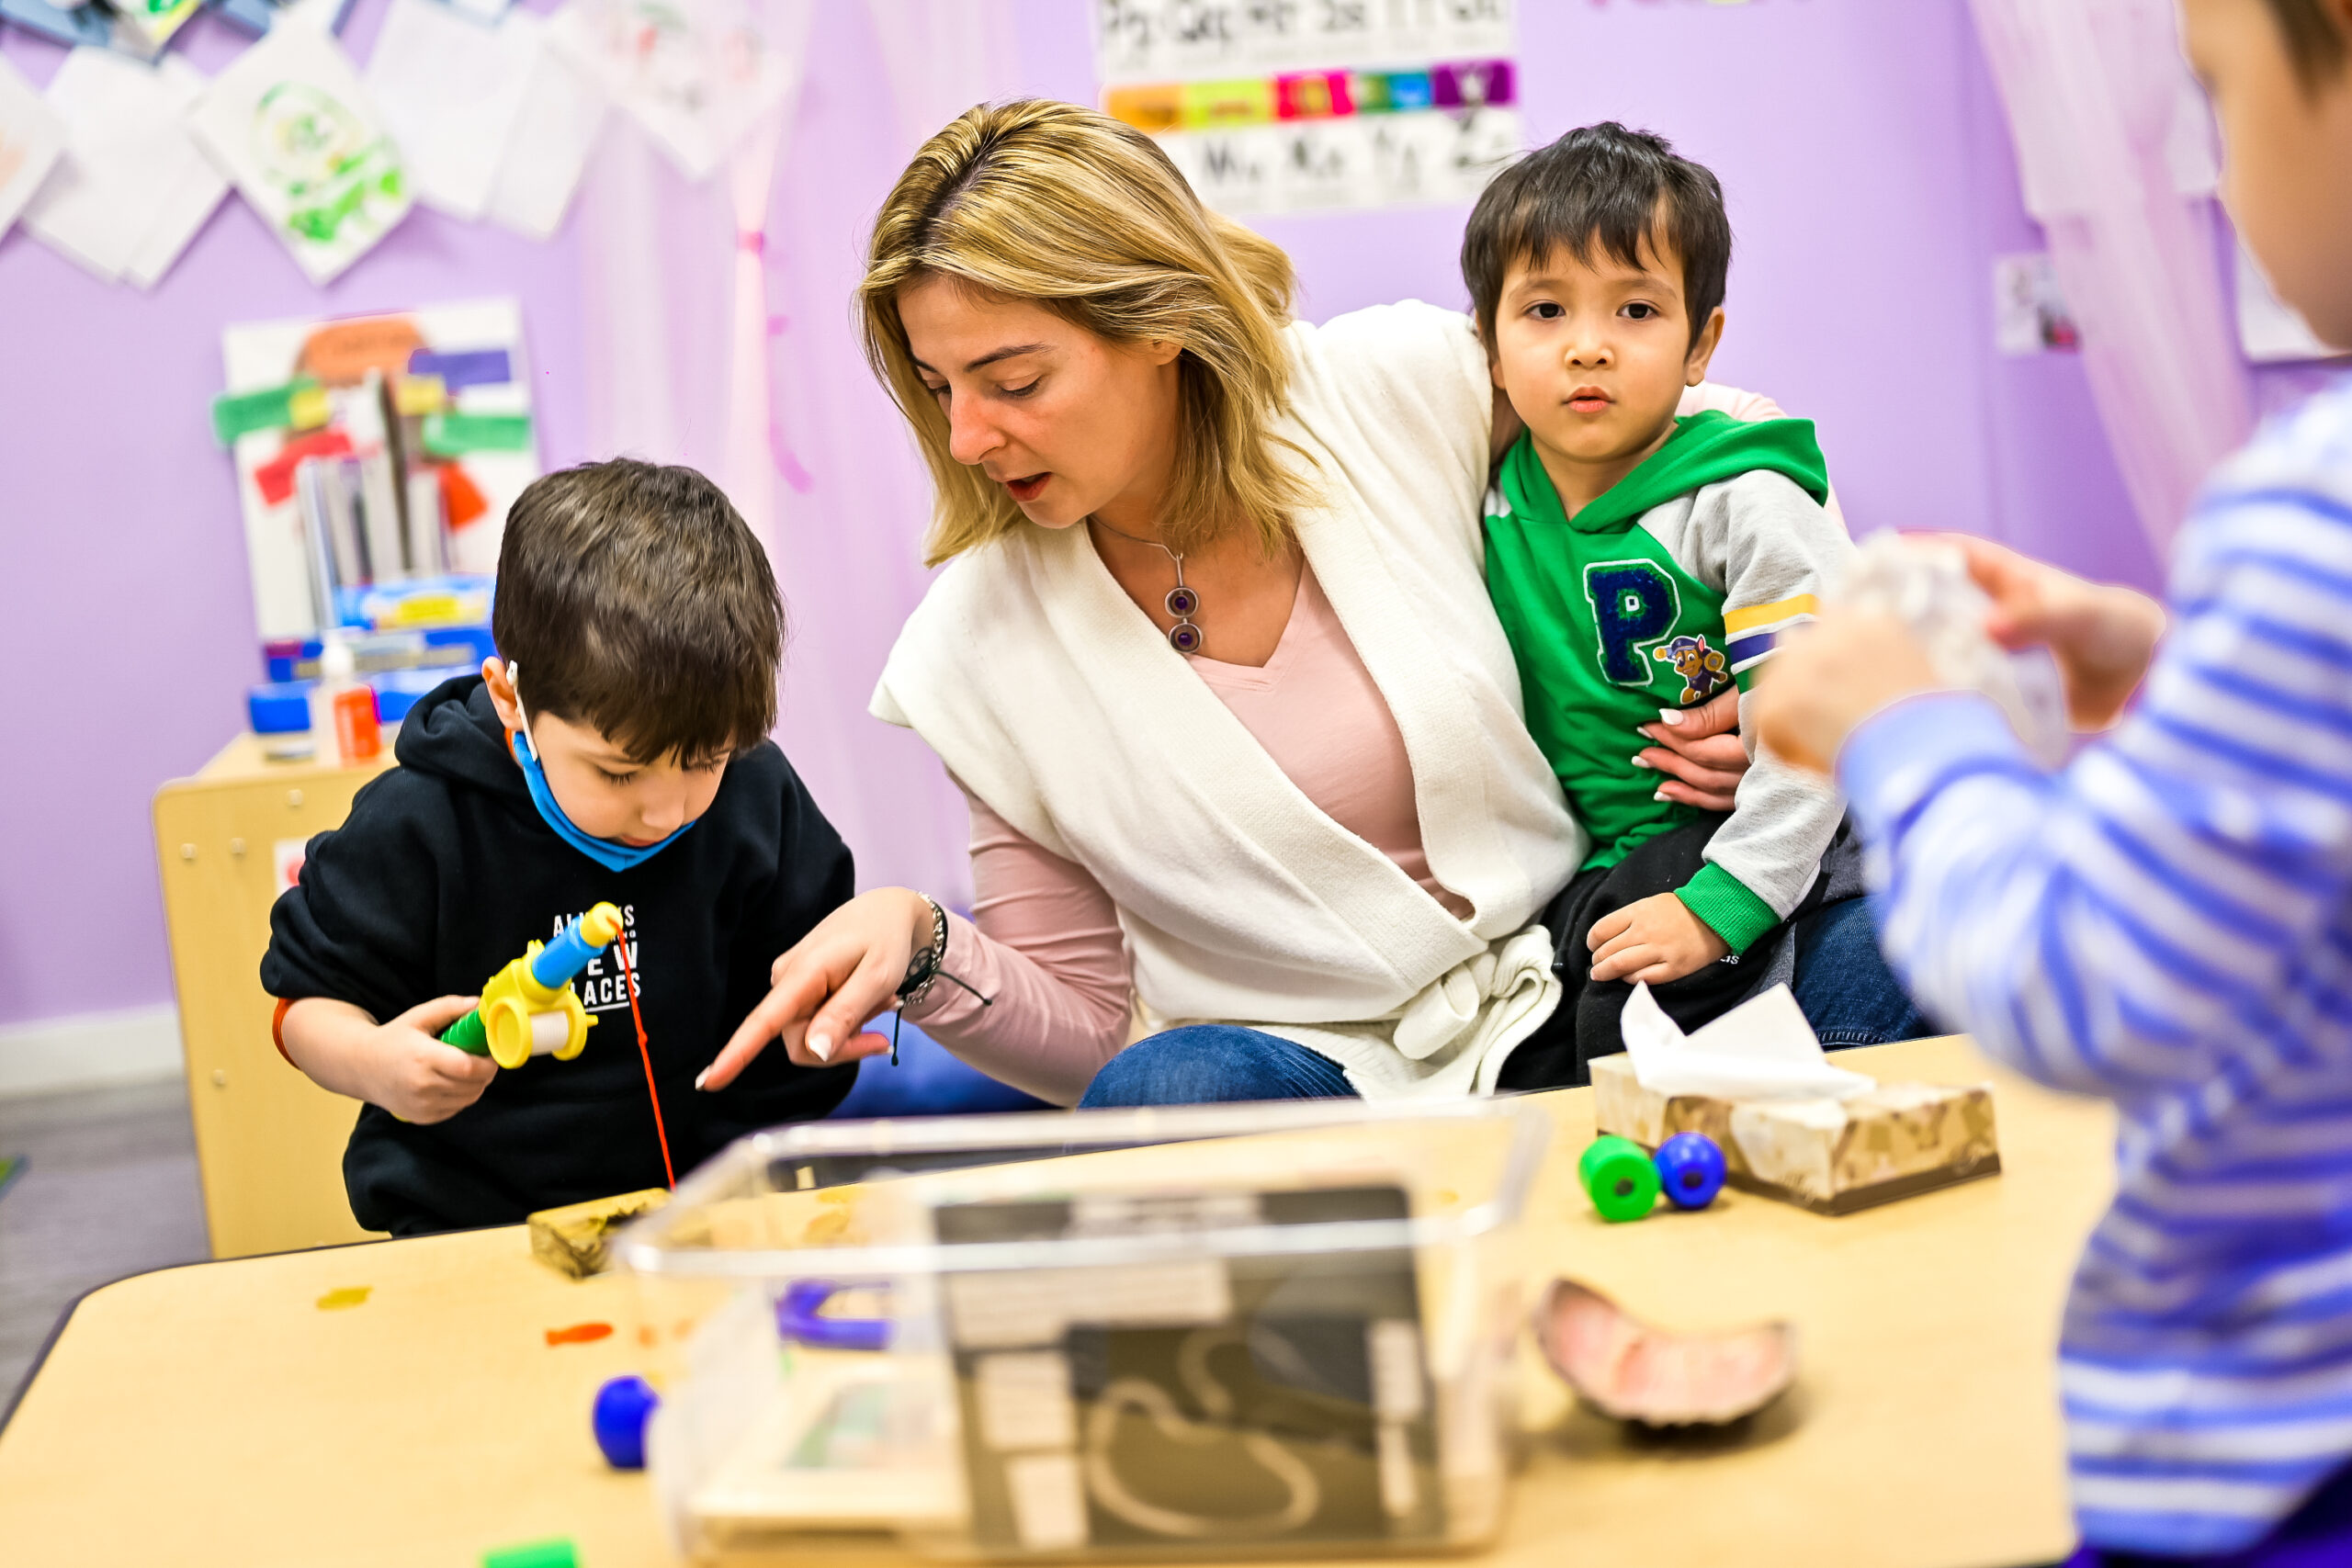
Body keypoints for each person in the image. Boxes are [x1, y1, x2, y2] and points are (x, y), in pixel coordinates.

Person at [697, 99, 1920, 1111]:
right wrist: (922, 944)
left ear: (1161, 319)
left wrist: (1772, 677)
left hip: (1576, 966)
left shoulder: (1381, 392)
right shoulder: (976, 650)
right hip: (1312, 1074)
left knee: (1899, 939)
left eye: (1013, 380)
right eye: (938, 386)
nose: (967, 435)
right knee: (1164, 1095)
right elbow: (1096, 1040)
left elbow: (1689, 427)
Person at [1754, 0, 2352, 1559]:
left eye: (2217, 96)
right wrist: (2167, 654)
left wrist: (1903, 729)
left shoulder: (2312, 513)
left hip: (2282, 1452)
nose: (2217, 170)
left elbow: (2083, 986)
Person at [262, 460, 856, 1235]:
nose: (667, 808)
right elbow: (302, 1001)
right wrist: (375, 1064)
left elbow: (814, 960)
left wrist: (820, 1021)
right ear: (512, 698)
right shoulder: (419, 823)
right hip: (471, 1224)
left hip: (708, 1213)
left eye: (705, 759)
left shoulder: (756, 794)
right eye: (618, 771)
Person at [1468, 122, 1859, 1086]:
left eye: (1636, 311)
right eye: (1546, 310)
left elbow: (1820, 717)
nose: (1588, 348)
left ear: (1701, 342)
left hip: (1759, 844)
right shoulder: (1483, 498)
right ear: (1487, 342)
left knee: (1632, 1032)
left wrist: (1720, 905)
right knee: (1531, 1062)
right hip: (1587, 863)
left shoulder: (1741, 501)